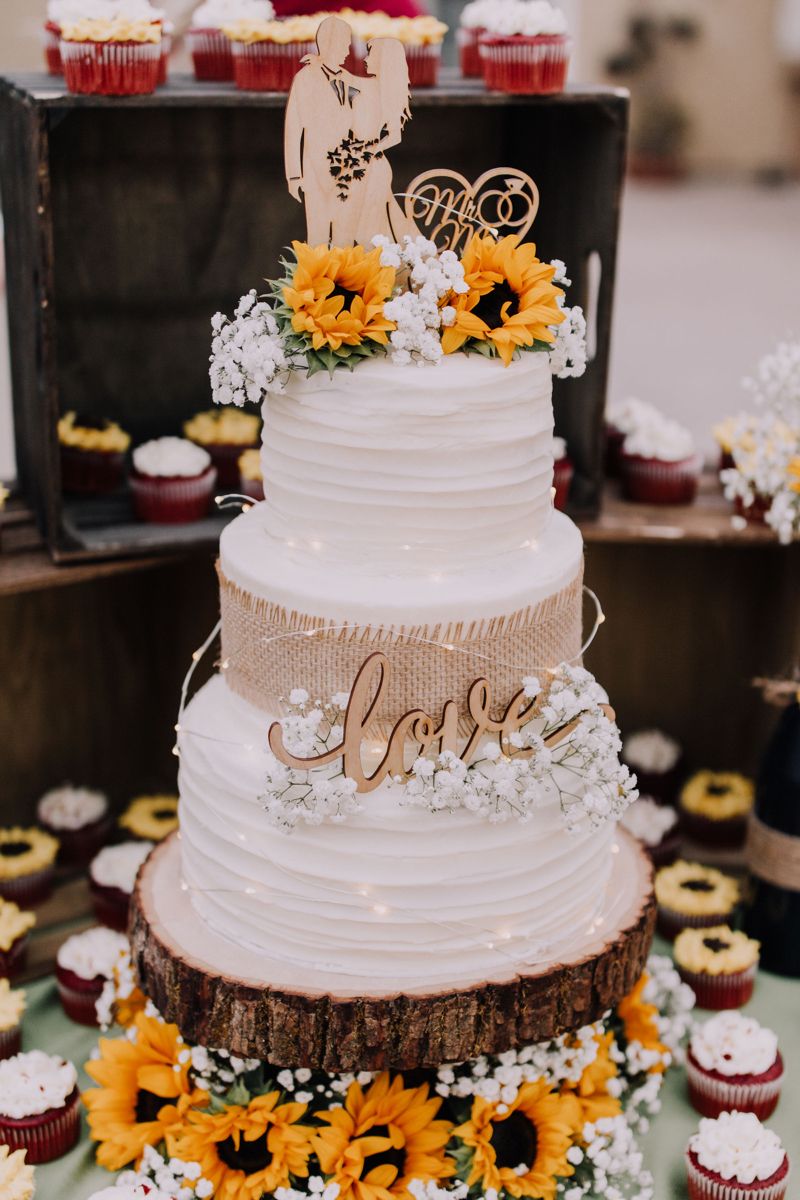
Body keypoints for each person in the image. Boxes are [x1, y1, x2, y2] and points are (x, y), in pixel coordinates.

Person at [284, 16, 364, 245]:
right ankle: (318, 278)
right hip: (315, 170)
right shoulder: (306, 79)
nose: (348, 52)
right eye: (344, 45)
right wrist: (294, 175)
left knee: (345, 236)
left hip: (346, 170)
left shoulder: (349, 80)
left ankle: (347, 279)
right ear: (330, 43)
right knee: (318, 235)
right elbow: (293, 128)